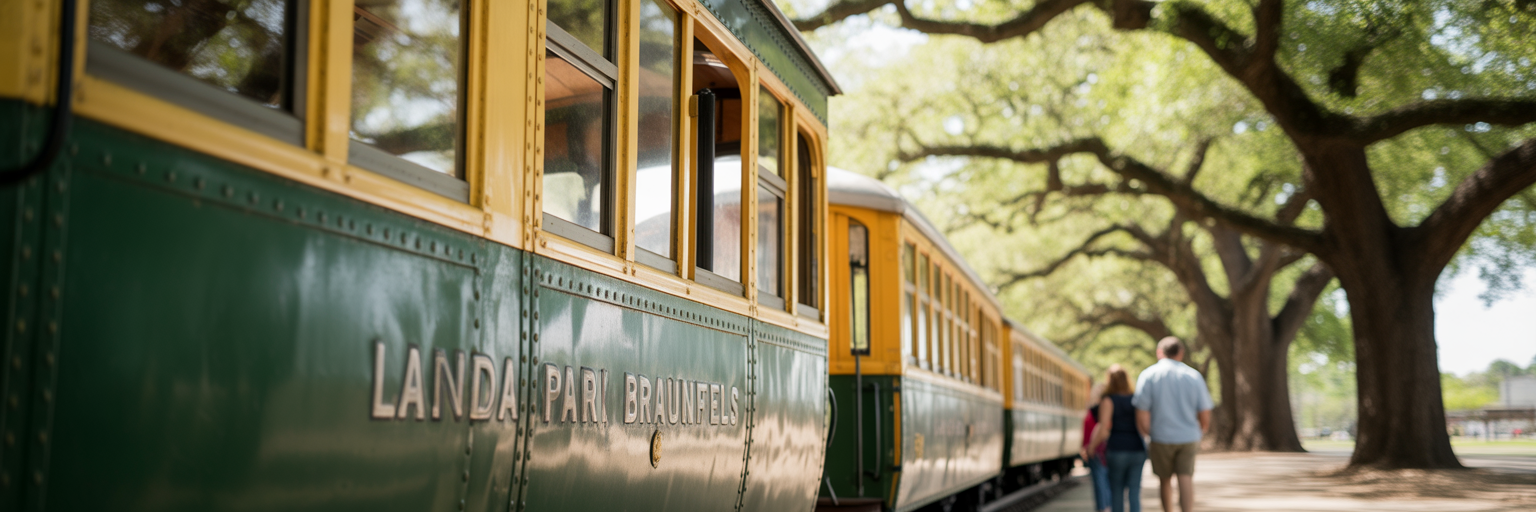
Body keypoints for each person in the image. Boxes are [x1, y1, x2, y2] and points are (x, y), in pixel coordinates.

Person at [1133, 337, 1214, 512]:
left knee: (1164, 480)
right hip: (1188, 436)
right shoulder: (1193, 376)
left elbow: (1142, 412)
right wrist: (1202, 429)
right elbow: (1204, 410)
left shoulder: (1148, 375)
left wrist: (1149, 432)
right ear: (1181, 353)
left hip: (1160, 436)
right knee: (1186, 477)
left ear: (1159, 352)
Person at [1090, 364, 1145, 512]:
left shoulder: (1108, 400)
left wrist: (1092, 447)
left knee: (1117, 490)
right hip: (1137, 449)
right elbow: (1143, 426)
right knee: (1134, 491)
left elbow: (1103, 429)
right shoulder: (1136, 399)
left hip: (1117, 449)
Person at [1080, 381, 1110, 512]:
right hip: (1108, 449)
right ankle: (1109, 506)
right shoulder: (1112, 410)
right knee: (1108, 481)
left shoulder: (1092, 412)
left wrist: (1086, 448)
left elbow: (1088, 431)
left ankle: (1102, 508)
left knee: (1099, 481)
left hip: (1095, 450)